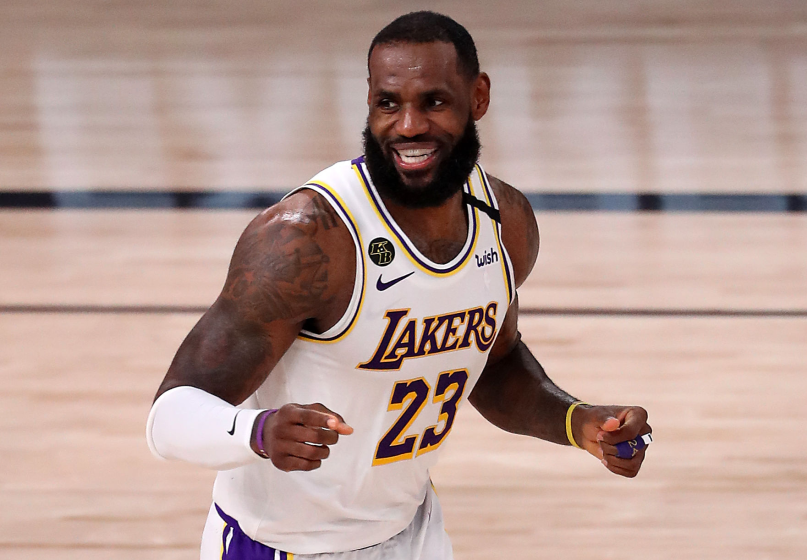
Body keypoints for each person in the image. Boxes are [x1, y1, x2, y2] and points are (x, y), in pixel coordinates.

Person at [146, 11, 652, 560]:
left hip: (414, 534)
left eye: (433, 101)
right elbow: (169, 418)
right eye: (389, 102)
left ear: (478, 97)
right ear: (369, 100)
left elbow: (494, 365)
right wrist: (258, 431)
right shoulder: (308, 238)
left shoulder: (504, 221)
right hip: (283, 547)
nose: (409, 125)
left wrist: (578, 422)